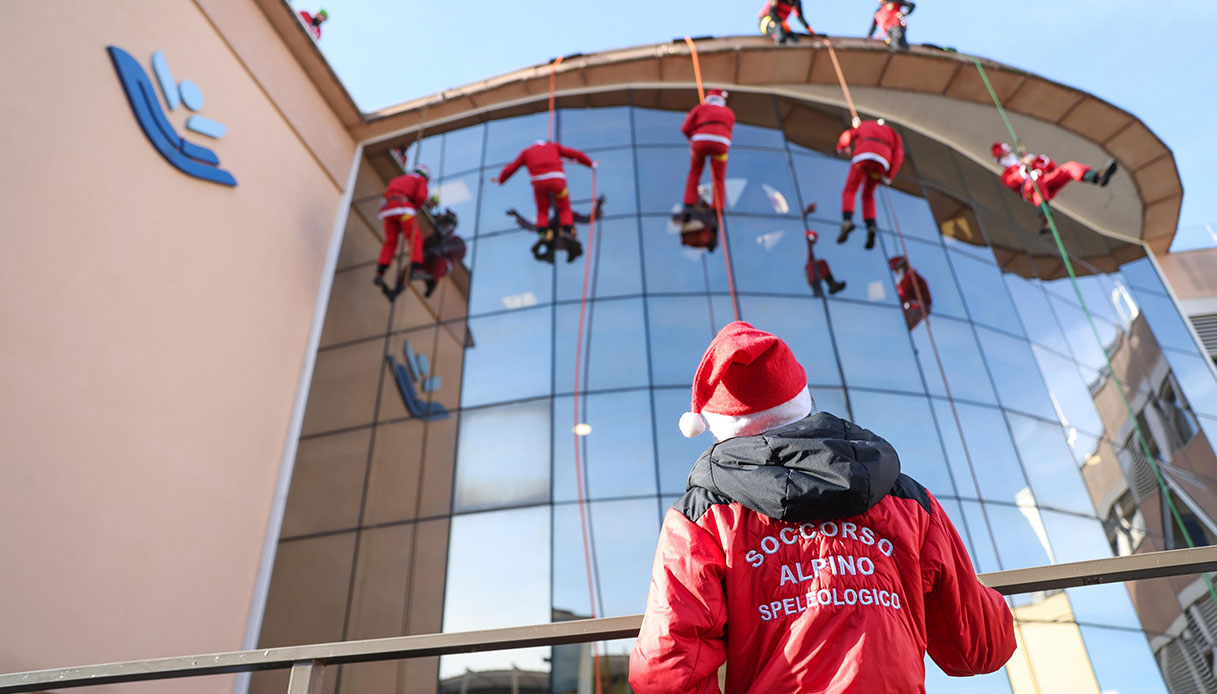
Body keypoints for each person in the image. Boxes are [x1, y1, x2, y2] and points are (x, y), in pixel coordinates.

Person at [629, 321, 1016, 693]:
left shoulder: (701, 519)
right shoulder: (907, 500)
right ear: (803, 402)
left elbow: (666, 669)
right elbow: (980, 648)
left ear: (718, 427)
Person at [495, 140, 595, 258]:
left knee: (542, 211)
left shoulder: (526, 152)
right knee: (564, 208)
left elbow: (512, 167)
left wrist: (501, 180)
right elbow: (575, 154)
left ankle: (543, 234)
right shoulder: (553, 146)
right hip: (557, 180)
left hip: (539, 183)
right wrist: (591, 164)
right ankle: (567, 231)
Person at [992, 142, 1118, 233]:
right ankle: (1045, 216)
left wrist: (1036, 160)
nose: (1005, 156)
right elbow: (1012, 181)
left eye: (1005, 153)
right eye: (1002, 156)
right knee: (1035, 181)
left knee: (1068, 167)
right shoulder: (1006, 175)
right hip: (1032, 191)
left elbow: (1051, 167)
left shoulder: (1025, 161)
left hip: (1046, 183)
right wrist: (1024, 168)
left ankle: (1097, 177)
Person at [837, 118, 904, 250]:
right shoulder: (893, 133)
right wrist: (889, 176)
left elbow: (848, 135)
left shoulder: (865, 125)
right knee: (868, 195)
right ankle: (871, 225)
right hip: (882, 161)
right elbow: (898, 153)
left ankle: (847, 220)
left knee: (850, 189)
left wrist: (842, 148)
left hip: (863, 155)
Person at [680, 89, 736, 223]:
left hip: (701, 142)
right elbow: (729, 128)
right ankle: (717, 211)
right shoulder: (729, 112)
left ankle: (688, 206)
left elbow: (685, 128)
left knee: (695, 172)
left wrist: (692, 139)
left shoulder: (700, 108)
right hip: (721, 144)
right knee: (719, 178)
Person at [375, 163, 431, 292]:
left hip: (388, 211)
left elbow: (387, 194)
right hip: (404, 209)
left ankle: (380, 273)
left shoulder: (398, 179)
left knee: (390, 242)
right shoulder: (420, 180)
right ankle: (416, 268)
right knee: (415, 238)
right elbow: (421, 196)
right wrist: (415, 207)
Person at [506, 195, 606, 264]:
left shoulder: (570, 216)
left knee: (561, 233)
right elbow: (533, 227)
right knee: (545, 231)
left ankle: (571, 250)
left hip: (567, 241)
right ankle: (547, 250)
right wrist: (517, 216)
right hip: (555, 241)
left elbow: (588, 219)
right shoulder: (552, 223)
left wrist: (598, 206)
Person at [416, 208, 466, 298]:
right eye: (443, 222)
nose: (443, 224)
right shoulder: (433, 238)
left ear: (452, 226)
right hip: (427, 261)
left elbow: (459, 250)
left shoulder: (455, 240)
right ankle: (397, 289)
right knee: (412, 266)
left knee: (441, 262)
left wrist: (443, 249)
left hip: (438, 265)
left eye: (447, 223)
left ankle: (432, 282)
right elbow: (422, 248)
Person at [890, 255, 931, 330]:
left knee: (899, 328)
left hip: (915, 309)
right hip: (916, 309)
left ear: (901, 267)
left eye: (896, 270)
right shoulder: (908, 278)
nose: (896, 273)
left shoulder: (911, 278)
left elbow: (902, 296)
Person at [805, 230, 846, 297]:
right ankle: (818, 289)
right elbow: (810, 255)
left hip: (814, 275)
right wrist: (809, 240)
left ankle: (831, 284)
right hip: (812, 276)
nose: (815, 241)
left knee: (821, 262)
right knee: (813, 264)